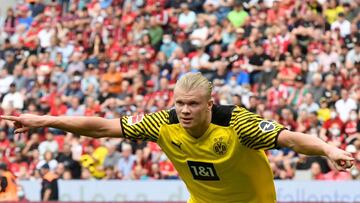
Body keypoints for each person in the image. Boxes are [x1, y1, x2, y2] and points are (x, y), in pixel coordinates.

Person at [1, 72, 354, 203]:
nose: (185, 111)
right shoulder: (162, 124)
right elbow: (104, 127)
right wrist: (46, 120)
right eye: (180, 103)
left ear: (208, 104)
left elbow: (291, 139)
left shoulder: (237, 123)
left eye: (193, 105)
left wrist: (326, 148)